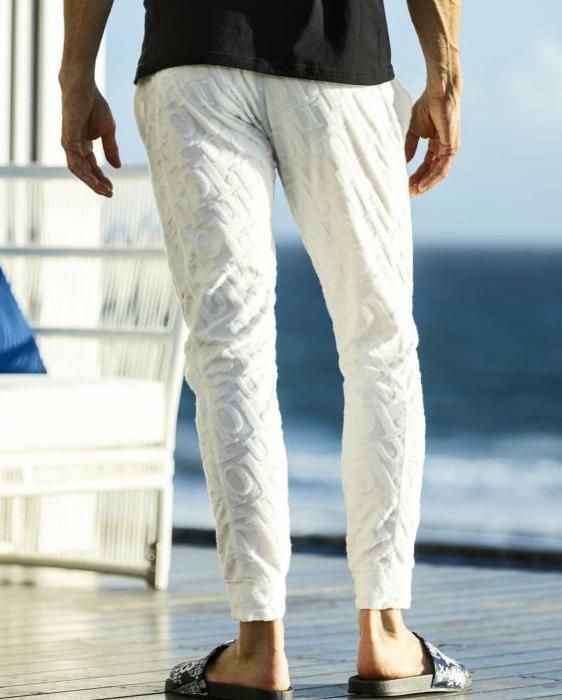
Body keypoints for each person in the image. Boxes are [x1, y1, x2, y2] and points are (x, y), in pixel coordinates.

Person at [59, 1, 469, 697]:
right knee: (379, 346)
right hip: (339, 61)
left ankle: (257, 648)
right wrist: (445, 75)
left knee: (230, 351)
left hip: (193, 52)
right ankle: (385, 637)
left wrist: (76, 74)